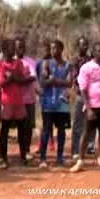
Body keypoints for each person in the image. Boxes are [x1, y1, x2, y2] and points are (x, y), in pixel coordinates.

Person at [70, 42, 100, 173]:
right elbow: (83, 89)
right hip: (92, 106)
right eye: (99, 51)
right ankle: (80, 161)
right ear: (93, 52)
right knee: (86, 133)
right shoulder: (86, 67)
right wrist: (89, 108)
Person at [0, 38, 28, 169]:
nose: (13, 49)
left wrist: (11, 77)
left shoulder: (18, 63)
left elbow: (23, 80)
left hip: (18, 101)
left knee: (22, 130)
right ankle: (4, 158)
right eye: (10, 47)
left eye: (13, 47)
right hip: (6, 102)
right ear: (4, 49)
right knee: (5, 130)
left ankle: (23, 156)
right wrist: (13, 78)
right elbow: (0, 83)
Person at [38, 40, 73, 168]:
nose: (53, 51)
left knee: (62, 130)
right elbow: (43, 82)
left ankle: (60, 157)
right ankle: (42, 158)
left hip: (62, 103)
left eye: (56, 48)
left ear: (61, 49)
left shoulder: (68, 65)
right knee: (46, 130)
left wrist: (53, 80)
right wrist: (54, 81)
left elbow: (69, 83)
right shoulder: (46, 63)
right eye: (51, 48)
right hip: (47, 102)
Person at [71, 36, 96, 162]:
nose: (85, 47)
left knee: (91, 121)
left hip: (92, 94)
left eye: (86, 44)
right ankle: (75, 149)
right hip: (81, 94)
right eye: (82, 45)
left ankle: (90, 146)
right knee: (78, 124)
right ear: (78, 46)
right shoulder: (75, 60)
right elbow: (75, 78)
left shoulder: (91, 59)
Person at [14, 37, 37, 161]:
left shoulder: (31, 61)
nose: (20, 49)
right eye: (18, 47)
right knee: (18, 127)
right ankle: (20, 151)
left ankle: (27, 150)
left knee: (28, 127)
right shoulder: (11, 61)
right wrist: (23, 79)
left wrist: (19, 80)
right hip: (15, 100)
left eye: (22, 46)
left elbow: (33, 77)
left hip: (29, 99)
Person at [34, 40, 55, 154]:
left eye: (47, 49)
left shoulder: (54, 62)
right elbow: (36, 78)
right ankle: (42, 143)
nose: (45, 51)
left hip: (54, 95)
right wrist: (38, 91)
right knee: (44, 121)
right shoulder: (38, 63)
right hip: (43, 96)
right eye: (42, 49)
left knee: (51, 120)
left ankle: (51, 140)